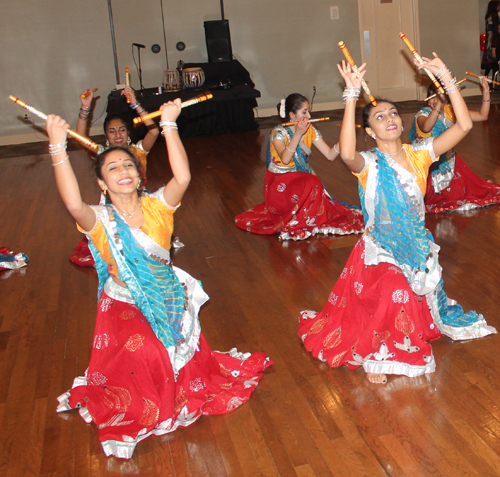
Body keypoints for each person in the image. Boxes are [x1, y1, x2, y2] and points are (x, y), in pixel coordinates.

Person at [49, 100, 272, 458]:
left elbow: (182, 178)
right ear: (102, 184)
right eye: (113, 168)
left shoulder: (157, 206)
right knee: (150, 353)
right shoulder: (98, 220)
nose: (123, 170)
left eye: (128, 165)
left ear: (139, 175)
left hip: (167, 298)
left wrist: (169, 125)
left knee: (178, 357)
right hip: (123, 303)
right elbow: (74, 204)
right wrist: (57, 146)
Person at [298, 55, 496, 385]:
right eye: (379, 116)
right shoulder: (368, 164)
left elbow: (464, 125)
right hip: (380, 252)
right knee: (395, 289)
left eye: (393, 113)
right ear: (370, 131)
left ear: (402, 124)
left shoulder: (420, 154)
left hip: (416, 250)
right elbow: (346, 154)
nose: (389, 118)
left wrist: (446, 76)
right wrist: (350, 95)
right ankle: (380, 348)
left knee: (412, 295)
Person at [235, 94, 364, 240]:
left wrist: (343, 139)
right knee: (311, 181)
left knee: (311, 181)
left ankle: (307, 217)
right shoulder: (279, 133)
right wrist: (297, 134)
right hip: (279, 182)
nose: (308, 115)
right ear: (291, 115)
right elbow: (285, 159)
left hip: (298, 179)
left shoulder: (310, 130)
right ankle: (300, 217)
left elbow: (329, 155)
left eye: (308, 111)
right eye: (304, 112)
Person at [71, 86, 160, 267]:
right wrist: (85, 108)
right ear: (106, 136)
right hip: (112, 206)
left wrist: (135, 104)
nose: (118, 135)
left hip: (139, 203)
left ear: (128, 134)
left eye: (122, 130)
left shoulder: (138, 151)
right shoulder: (102, 154)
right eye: (112, 131)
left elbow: (154, 131)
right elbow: (80, 139)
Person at [409, 77, 500, 213]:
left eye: (439, 97)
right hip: (426, 165)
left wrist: (486, 91)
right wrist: (437, 107)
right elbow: (426, 127)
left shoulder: (451, 111)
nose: (435, 100)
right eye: (433, 96)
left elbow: (482, 116)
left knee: (464, 193)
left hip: (449, 161)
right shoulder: (423, 113)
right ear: (428, 98)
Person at [482, 1, 500, 79]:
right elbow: (495, 30)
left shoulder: (488, 16)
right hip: (493, 41)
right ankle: (493, 80)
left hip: (489, 41)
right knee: (494, 63)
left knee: (490, 64)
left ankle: (487, 78)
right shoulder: (494, 16)